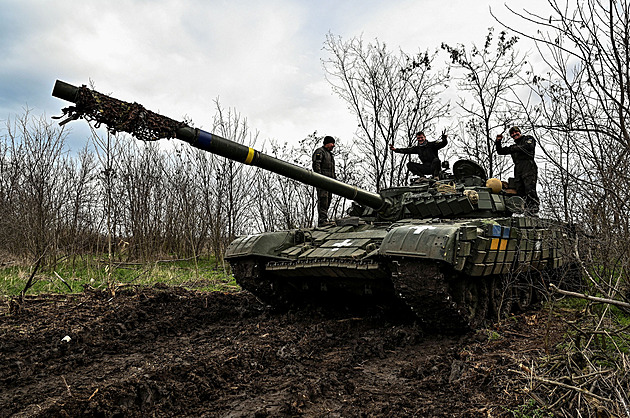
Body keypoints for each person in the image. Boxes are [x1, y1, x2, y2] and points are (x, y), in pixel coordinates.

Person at [495, 126, 539, 214]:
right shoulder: (514, 146)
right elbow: (501, 151)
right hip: (518, 168)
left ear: (519, 132)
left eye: (516, 132)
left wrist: (514, 149)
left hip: (528, 166)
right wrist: (498, 141)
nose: (514, 134)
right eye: (512, 134)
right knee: (520, 190)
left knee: (529, 188)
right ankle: (524, 210)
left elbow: (529, 146)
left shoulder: (528, 139)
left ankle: (533, 209)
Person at [312, 136, 336, 226]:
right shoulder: (320, 152)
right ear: (327, 143)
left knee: (328, 200)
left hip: (330, 182)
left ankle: (324, 218)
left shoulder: (330, 155)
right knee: (323, 200)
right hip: (322, 181)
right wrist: (320, 177)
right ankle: (322, 220)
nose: (333, 145)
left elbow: (332, 170)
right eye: (332, 143)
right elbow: (316, 164)